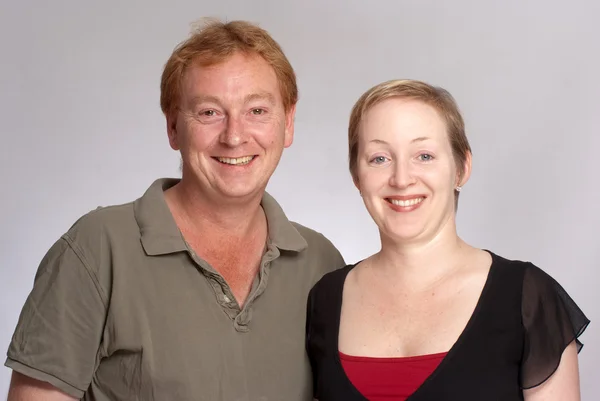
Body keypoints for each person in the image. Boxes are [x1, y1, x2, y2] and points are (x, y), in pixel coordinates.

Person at [5, 19, 345, 401]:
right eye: (209, 113)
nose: (234, 136)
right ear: (172, 127)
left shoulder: (322, 264)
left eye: (257, 111)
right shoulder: (97, 249)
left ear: (288, 124)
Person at [305, 79, 590, 400]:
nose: (401, 179)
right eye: (379, 158)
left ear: (461, 168)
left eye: (424, 155)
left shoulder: (527, 298)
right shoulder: (325, 299)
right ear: (357, 176)